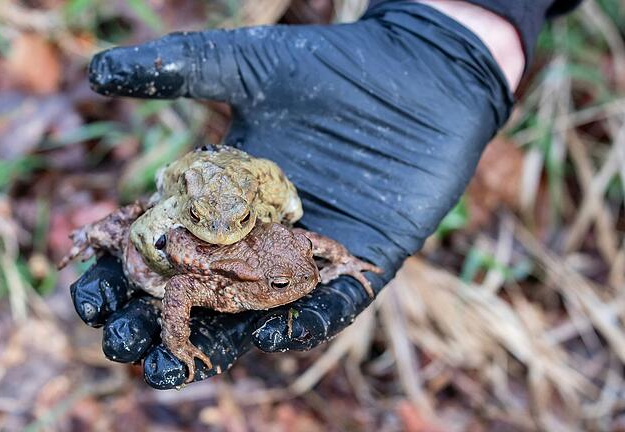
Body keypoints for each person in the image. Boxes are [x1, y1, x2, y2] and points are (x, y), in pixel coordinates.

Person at [70, 0, 583, 389]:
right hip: (177, 249)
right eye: (279, 284)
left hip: (252, 244)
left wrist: (342, 261)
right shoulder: (224, 281)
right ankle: (91, 232)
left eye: (300, 267)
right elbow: (183, 289)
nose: (306, 282)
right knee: (124, 232)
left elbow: (308, 242)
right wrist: (178, 341)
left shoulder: (283, 248)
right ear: (255, 283)